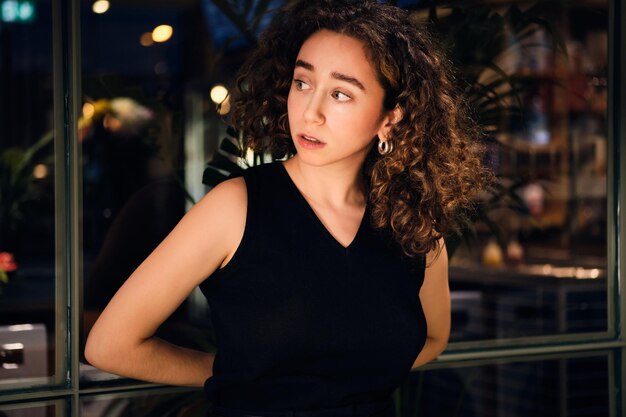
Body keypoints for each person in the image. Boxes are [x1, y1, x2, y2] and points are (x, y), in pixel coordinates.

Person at [85, 1, 490, 416]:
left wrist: (349, 377)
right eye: (302, 83)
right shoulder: (235, 207)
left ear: (390, 118)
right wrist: (228, 371)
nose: (311, 112)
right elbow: (110, 346)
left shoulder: (411, 220)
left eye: (340, 93)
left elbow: (434, 338)